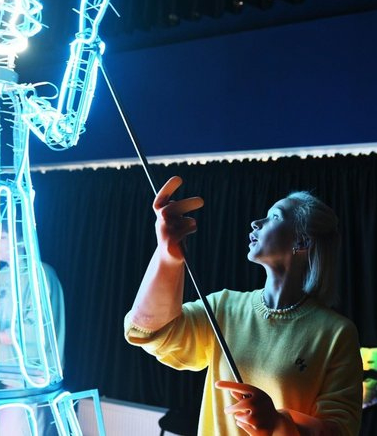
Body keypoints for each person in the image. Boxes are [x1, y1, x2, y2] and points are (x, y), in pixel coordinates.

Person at [125, 176, 363, 436]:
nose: (256, 222)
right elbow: (151, 331)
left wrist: (278, 423)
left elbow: (340, 430)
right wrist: (167, 255)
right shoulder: (224, 307)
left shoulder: (336, 333)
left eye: (274, 217)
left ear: (302, 241)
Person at [0, 225, 66, 435]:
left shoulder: (40, 274)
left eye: (2, 237)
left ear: (22, 240)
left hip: (27, 383)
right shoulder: (0, 277)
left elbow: (37, 329)